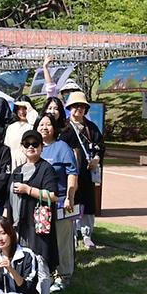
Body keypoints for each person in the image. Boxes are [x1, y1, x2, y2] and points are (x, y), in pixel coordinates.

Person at [6, 129, 59, 294]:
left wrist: (29, 190)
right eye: (27, 144)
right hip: (17, 227)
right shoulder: (17, 170)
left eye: (35, 144)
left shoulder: (46, 169)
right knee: (20, 266)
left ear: (41, 147)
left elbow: (54, 196)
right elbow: (7, 201)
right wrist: (5, 223)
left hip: (38, 228)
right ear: (22, 147)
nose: (31, 147)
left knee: (42, 266)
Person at [36, 114, 78, 293]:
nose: (44, 127)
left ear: (54, 128)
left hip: (61, 201)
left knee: (63, 240)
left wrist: (70, 196)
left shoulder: (62, 147)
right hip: (40, 202)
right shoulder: (34, 146)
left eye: (48, 124)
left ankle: (64, 275)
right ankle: (45, 274)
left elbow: (72, 173)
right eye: (41, 124)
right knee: (43, 239)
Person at [60, 91, 105, 249]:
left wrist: (97, 159)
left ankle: (86, 234)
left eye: (81, 106)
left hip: (87, 174)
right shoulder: (64, 128)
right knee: (71, 201)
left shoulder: (90, 127)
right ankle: (71, 234)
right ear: (69, 108)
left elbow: (101, 146)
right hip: (70, 174)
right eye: (75, 106)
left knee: (88, 203)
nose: (78, 109)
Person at [4, 95, 39, 167]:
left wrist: (29, 108)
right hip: (12, 162)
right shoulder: (11, 127)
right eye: (19, 108)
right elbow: (6, 147)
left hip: (29, 161)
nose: (22, 112)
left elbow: (36, 121)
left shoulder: (32, 126)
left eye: (25, 108)